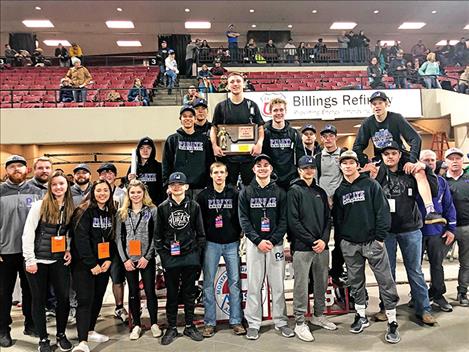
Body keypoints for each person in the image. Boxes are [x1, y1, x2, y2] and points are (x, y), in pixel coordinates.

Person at [332, 150, 400, 344]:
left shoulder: (371, 185)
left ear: (357, 165)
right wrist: (343, 241)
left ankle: (392, 320)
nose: (347, 166)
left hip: (372, 242)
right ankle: (361, 315)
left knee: (385, 281)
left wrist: (380, 238)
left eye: (351, 162)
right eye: (344, 163)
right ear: (340, 166)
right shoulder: (340, 191)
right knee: (356, 282)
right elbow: (338, 219)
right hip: (350, 245)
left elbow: (382, 212)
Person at [353, 91, 444, 224]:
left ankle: (430, 210)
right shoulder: (367, 123)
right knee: (368, 177)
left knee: (419, 171)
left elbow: (415, 138)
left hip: (399, 155)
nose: (377, 106)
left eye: (380, 103)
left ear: (387, 104)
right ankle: (369, 216)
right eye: (374, 104)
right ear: (371, 106)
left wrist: (412, 161)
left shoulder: (396, 118)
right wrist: (365, 162)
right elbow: (357, 146)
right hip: (381, 158)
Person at [372, 142, 438, 325]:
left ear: (400, 155)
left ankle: (424, 309)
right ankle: (386, 308)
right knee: (387, 273)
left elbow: (433, 189)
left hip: (411, 230)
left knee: (415, 271)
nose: (390, 156)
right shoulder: (377, 176)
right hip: (387, 232)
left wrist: (425, 168)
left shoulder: (410, 173)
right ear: (382, 157)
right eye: (387, 154)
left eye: (394, 153)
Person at [238, 154, 294, 340]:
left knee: (278, 285)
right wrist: (257, 240)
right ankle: (253, 323)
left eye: (266, 165)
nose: (262, 168)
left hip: (275, 244)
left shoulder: (280, 192)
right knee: (254, 285)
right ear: (253, 169)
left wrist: (273, 239)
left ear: (271, 169)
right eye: (259, 166)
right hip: (255, 245)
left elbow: (285, 219)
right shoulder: (245, 192)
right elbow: (244, 220)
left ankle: (281, 321)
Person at [22, 171, 74, 352]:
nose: (58, 187)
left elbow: (66, 232)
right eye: (54, 184)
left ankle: (61, 334)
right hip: (37, 260)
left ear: (67, 186)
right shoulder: (40, 206)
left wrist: (67, 249)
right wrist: (30, 260)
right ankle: (43, 338)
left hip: (58, 260)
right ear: (50, 187)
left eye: (62, 184)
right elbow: (28, 233)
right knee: (38, 300)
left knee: (64, 299)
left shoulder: (69, 207)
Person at [288, 155, 336, 343]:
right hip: (302, 247)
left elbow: (327, 219)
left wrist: (324, 240)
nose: (309, 171)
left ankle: (318, 314)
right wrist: (311, 241)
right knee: (301, 284)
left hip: (322, 247)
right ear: (299, 170)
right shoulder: (294, 191)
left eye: (312, 168)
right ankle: (300, 321)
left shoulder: (320, 192)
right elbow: (293, 222)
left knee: (321, 282)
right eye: (305, 168)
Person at [155, 172, 206, 345]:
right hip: (171, 258)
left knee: (189, 292)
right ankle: (171, 327)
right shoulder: (162, 208)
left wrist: (196, 255)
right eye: (173, 184)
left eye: (180, 184)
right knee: (172, 294)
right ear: (169, 187)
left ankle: (190, 325)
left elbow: (201, 234)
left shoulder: (194, 206)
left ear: (186, 186)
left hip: (190, 257)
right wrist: (164, 256)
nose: (176, 187)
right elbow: (157, 236)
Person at [196, 162, 245, 337]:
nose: (218, 175)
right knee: (208, 283)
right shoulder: (203, 196)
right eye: (215, 172)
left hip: (232, 243)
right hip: (211, 243)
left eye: (221, 172)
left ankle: (236, 321)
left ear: (226, 174)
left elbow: (241, 216)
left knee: (234, 283)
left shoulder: (235, 193)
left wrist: (240, 234)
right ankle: (209, 322)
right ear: (210, 175)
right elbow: (198, 221)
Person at [0, 155, 43, 348]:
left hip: (30, 253)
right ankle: (3, 330)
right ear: (6, 170)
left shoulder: (37, 192)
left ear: (27, 170)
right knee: (3, 294)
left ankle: (31, 324)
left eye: (20, 166)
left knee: (31, 292)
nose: (16, 169)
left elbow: (44, 222)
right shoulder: (0, 191)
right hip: (5, 252)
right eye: (12, 166)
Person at [70, 180, 116, 352]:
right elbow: (80, 240)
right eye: (98, 190)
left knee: (97, 298)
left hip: (103, 264)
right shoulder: (84, 211)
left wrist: (109, 259)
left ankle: (90, 330)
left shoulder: (111, 212)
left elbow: (112, 239)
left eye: (106, 190)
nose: (102, 193)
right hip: (84, 265)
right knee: (85, 300)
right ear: (92, 192)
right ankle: (82, 342)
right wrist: (91, 264)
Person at [116, 180, 161, 340]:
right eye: (132, 192)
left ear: (144, 193)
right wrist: (125, 260)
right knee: (133, 292)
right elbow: (118, 239)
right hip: (129, 260)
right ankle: (136, 325)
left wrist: (147, 257)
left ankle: (154, 323)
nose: (135, 195)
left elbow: (156, 236)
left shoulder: (152, 210)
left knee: (150, 291)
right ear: (128, 194)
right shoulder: (122, 212)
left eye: (139, 192)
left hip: (146, 260)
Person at [417, 150, 456, 312]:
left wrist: (451, 229)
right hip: (416, 232)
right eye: (426, 160)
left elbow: (449, 205)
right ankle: (418, 296)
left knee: (437, 265)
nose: (430, 163)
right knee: (415, 267)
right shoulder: (413, 181)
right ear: (419, 162)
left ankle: (438, 295)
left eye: (432, 160)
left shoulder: (441, 182)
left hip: (436, 231)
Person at [211, 72, 265, 186]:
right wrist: (214, 146)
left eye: (238, 81)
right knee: (229, 191)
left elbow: (260, 127)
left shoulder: (252, 105)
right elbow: (214, 128)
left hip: (249, 158)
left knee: (250, 191)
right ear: (227, 86)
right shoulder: (221, 106)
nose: (235, 84)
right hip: (228, 159)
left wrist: (259, 143)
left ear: (243, 84)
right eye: (232, 82)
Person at [96, 163, 128, 323]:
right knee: (98, 278)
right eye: (103, 174)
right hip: (99, 243)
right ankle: (94, 309)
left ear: (115, 175)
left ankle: (119, 307)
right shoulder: (96, 193)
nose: (106, 176)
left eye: (109, 173)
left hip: (116, 242)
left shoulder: (122, 194)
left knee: (117, 277)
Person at [314, 124, 345, 282]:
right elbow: (315, 179)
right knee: (321, 237)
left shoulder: (344, 154)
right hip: (323, 202)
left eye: (331, 136)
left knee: (341, 238)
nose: (328, 139)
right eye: (325, 136)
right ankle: (321, 273)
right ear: (322, 139)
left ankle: (337, 270)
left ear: (336, 137)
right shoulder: (318, 157)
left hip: (341, 202)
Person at [163, 105, 213, 199]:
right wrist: (167, 185)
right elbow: (166, 164)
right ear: (180, 119)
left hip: (201, 188)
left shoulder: (204, 140)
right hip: (179, 188)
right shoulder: (172, 139)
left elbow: (210, 163)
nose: (187, 118)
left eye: (190, 116)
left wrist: (209, 185)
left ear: (195, 119)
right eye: (184, 116)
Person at [444, 148, 469, 306]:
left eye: (457, 158)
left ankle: (462, 292)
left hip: (466, 227)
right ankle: (436, 292)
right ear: (445, 161)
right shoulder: (440, 181)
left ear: (462, 161)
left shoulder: (467, 180)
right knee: (436, 263)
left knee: (466, 263)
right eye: (451, 158)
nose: (454, 161)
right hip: (445, 230)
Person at [262, 98, 304, 190]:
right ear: (270, 112)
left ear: (285, 111)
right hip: (271, 180)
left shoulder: (295, 133)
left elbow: (301, 158)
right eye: (275, 110)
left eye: (281, 110)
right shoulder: (264, 134)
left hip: (291, 181)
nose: (278, 113)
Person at [127, 137, 165, 206]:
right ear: (138, 150)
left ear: (152, 150)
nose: (145, 150)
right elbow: (128, 188)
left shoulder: (159, 167)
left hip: (155, 206)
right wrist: (129, 181)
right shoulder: (133, 167)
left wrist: (157, 205)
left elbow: (163, 189)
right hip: (138, 206)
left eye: (148, 148)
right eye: (142, 148)